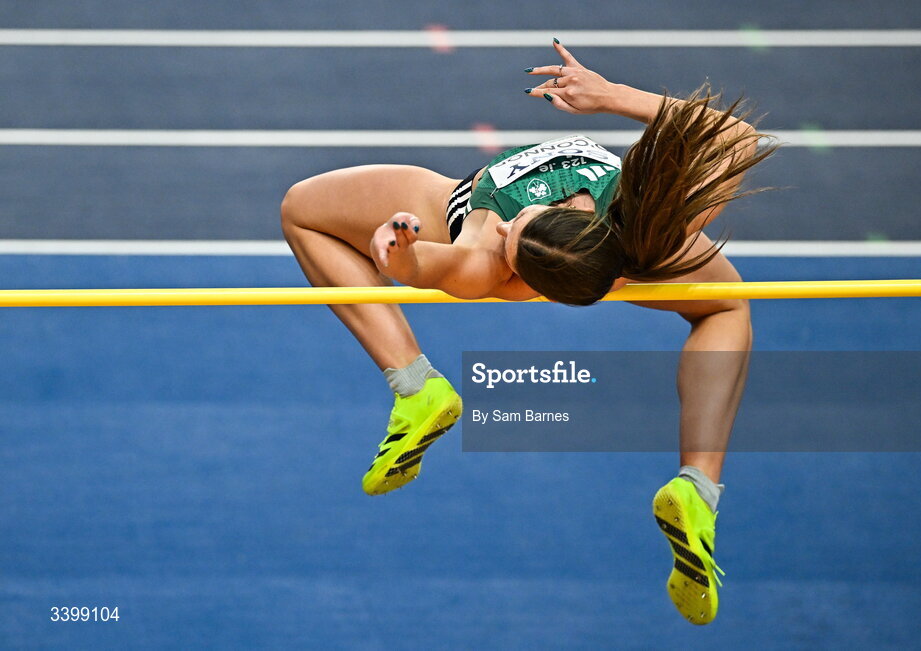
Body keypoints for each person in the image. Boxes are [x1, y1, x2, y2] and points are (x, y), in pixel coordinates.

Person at [280, 39, 775, 625]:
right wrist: (612, 97)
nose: (509, 220)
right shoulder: (646, 225)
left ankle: (417, 386)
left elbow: (423, 269)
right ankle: (698, 486)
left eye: (512, 227)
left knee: (300, 210)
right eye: (517, 225)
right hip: (614, 265)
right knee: (725, 308)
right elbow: (740, 138)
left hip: (450, 207)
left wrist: (401, 247)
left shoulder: (486, 261)